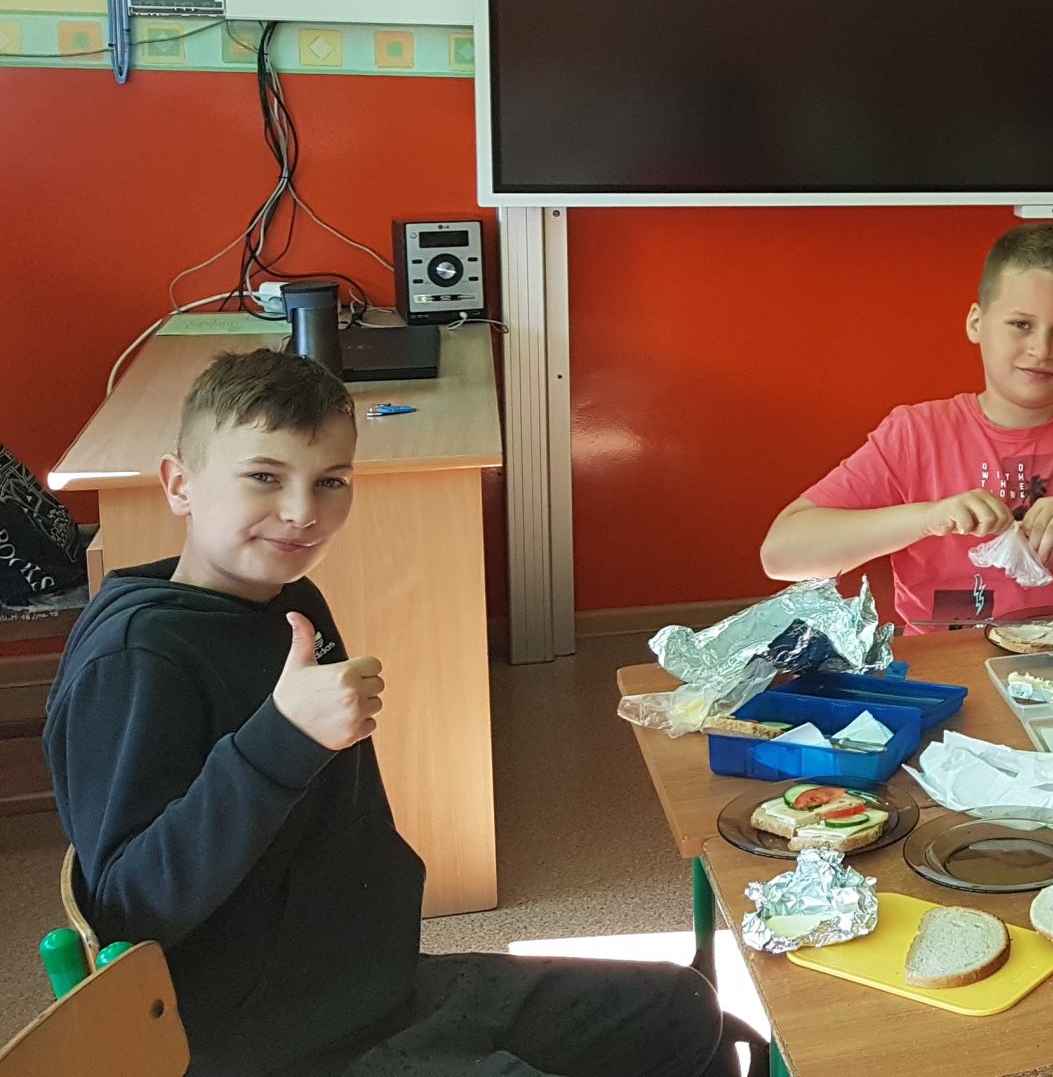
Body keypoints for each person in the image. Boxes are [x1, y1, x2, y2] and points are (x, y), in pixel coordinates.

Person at [45, 350, 737, 1077]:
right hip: (270, 1046)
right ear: (179, 484)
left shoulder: (289, 600)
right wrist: (280, 740)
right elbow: (126, 913)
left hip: (369, 987)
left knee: (685, 1009)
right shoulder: (136, 660)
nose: (303, 512)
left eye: (331, 481)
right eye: (264, 477)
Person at [762, 222, 1053, 624]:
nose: (1041, 350)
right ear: (976, 323)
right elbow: (781, 555)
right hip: (950, 668)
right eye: (1021, 324)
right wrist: (928, 518)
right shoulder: (915, 434)